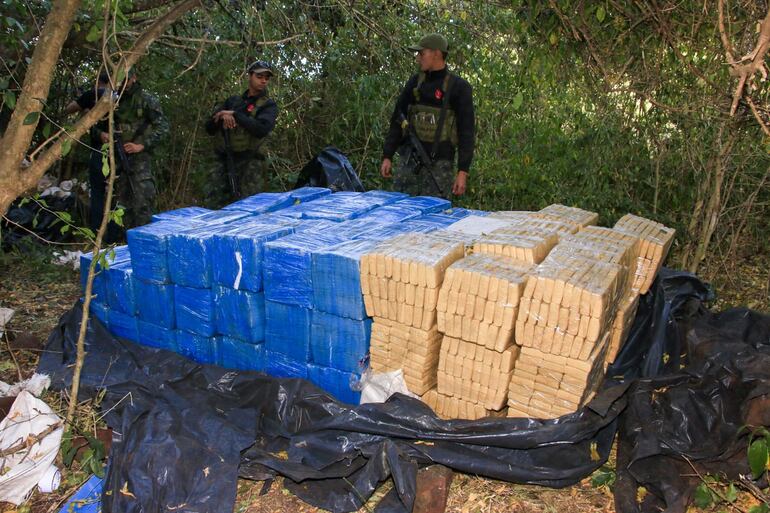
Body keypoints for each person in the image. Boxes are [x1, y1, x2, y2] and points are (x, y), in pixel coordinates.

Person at [68, 69, 168, 234]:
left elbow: (163, 127)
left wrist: (142, 145)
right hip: (117, 159)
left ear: (134, 78)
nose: (122, 83)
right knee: (122, 204)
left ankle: (145, 241)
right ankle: (124, 241)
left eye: (126, 79)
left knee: (142, 202)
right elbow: (91, 124)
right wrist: (101, 134)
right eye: (119, 80)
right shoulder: (111, 99)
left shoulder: (146, 100)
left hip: (140, 160)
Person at [380, 33, 475, 199]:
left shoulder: (459, 87)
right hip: (409, 162)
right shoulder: (415, 83)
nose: (418, 58)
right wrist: (387, 155)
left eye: (422, 53)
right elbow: (398, 118)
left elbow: (466, 132)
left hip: (439, 167)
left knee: (435, 218)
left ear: (437, 53)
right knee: (399, 212)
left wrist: (462, 172)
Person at [204, 60, 278, 208]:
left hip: (250, 163)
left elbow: (261, 129)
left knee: (248, 208)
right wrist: (223, 116)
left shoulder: (267, 105)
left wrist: (236, 115)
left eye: (266, 78)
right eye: (259, 76)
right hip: (224, 161)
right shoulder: (233, 101)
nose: (263, 80)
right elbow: (209, 128)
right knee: (215, 206)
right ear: (249, 76)